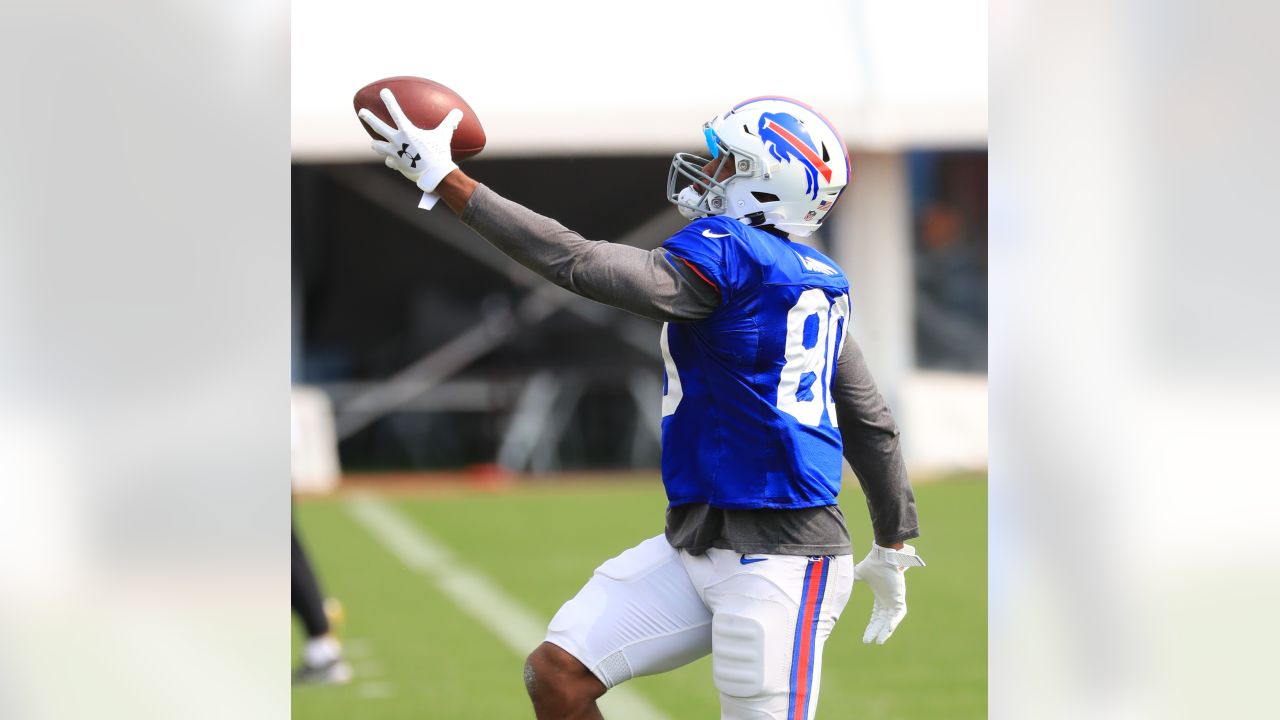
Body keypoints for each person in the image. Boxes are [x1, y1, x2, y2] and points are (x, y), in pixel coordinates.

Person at [359, 91, 923, 720]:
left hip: (782, 556)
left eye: (726, 164)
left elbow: (580, 262)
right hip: (697, 540)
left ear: (767, 185)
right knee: (560, 674)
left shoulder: (732, 252)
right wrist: (894, 539)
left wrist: (450, 181)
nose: (708, 174)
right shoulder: (816, 277)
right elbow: (869, 419)